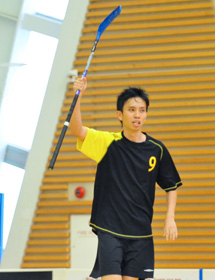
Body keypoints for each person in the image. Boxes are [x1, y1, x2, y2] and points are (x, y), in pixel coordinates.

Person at [70, 77, 182, 280]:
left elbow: (171, 185)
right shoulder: (107, 143)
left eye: (142, 110)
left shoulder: (157, 149)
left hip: (141, 234)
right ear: (119, 115)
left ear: (146, 114)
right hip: (110, 230)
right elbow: (77, 130)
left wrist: (170, 218)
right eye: (131, 110)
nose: (137, 115)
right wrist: (78, 97)